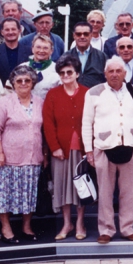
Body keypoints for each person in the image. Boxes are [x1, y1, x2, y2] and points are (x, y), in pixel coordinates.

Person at [82, 57, 133, 243]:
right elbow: (86, 123)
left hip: (131, 147)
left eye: (119, 71)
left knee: (128, 191)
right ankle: (106, 230)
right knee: (105, 191)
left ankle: (127, 228)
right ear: (105, 73)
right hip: (103, 148)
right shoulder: (94, 92)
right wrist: (88, 151)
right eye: (111, 71)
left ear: (125, 74)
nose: (115, 74)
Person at [0, 64, 45, 243]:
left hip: (32, 157)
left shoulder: (40, 102)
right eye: (19, 80)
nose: (23, 83)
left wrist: (45, 154)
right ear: (13, 83)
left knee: (28, 194)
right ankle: (6, 228)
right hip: (9, 158)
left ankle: (26, 227)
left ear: (33, 83)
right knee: (5, 194)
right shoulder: (4, 103)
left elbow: (44, 130)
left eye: (27, 80)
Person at [42, 55, 89, 240]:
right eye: (62, 73)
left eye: (69, 72)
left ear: (77, 73)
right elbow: (48, 123)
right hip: (61, 149)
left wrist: (91, 149)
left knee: (81, 186)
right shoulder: (53, 95)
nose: (66, 75)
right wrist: (54, 147)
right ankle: (67, 223)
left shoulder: (88, 93)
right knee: (62, 186)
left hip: (82, 148)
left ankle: (80, 223)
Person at [62, 21, 107, 88]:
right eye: (78, 34)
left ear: (91, 35)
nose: (82, 37)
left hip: (95, 96)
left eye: (86, 34)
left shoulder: (101, 56)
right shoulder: (66, 57)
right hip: (72, 96)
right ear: (74, 36)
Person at [25, 34, 61, 100]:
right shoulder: (21, 68)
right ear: (32, 49)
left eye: (45, 48)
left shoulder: (58, 70)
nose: (41, 51)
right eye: (38, 47)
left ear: (51, 51)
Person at [0, 18, 23, 85]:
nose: (10, 32)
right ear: (2, 32)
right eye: (7, 30)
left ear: (19, 31)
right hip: (1, 91)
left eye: (13, 29)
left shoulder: (29, 51)